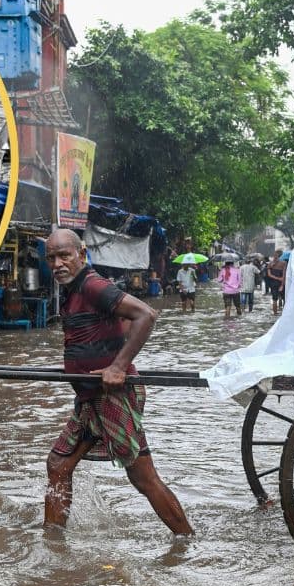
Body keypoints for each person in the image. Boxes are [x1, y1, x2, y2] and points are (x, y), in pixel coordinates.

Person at [43, 229, 194, 536]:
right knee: (59, 465)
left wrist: (118, 365)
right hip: (90, 398)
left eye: (65, 255)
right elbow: (113, 325)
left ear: (82, 255)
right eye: (51, 258)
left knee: (143, 478)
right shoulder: (74, 290)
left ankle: (186, 539)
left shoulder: (93, 285)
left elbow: (145, 315)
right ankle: (53, 543)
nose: (58, 263)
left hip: (112, 396)